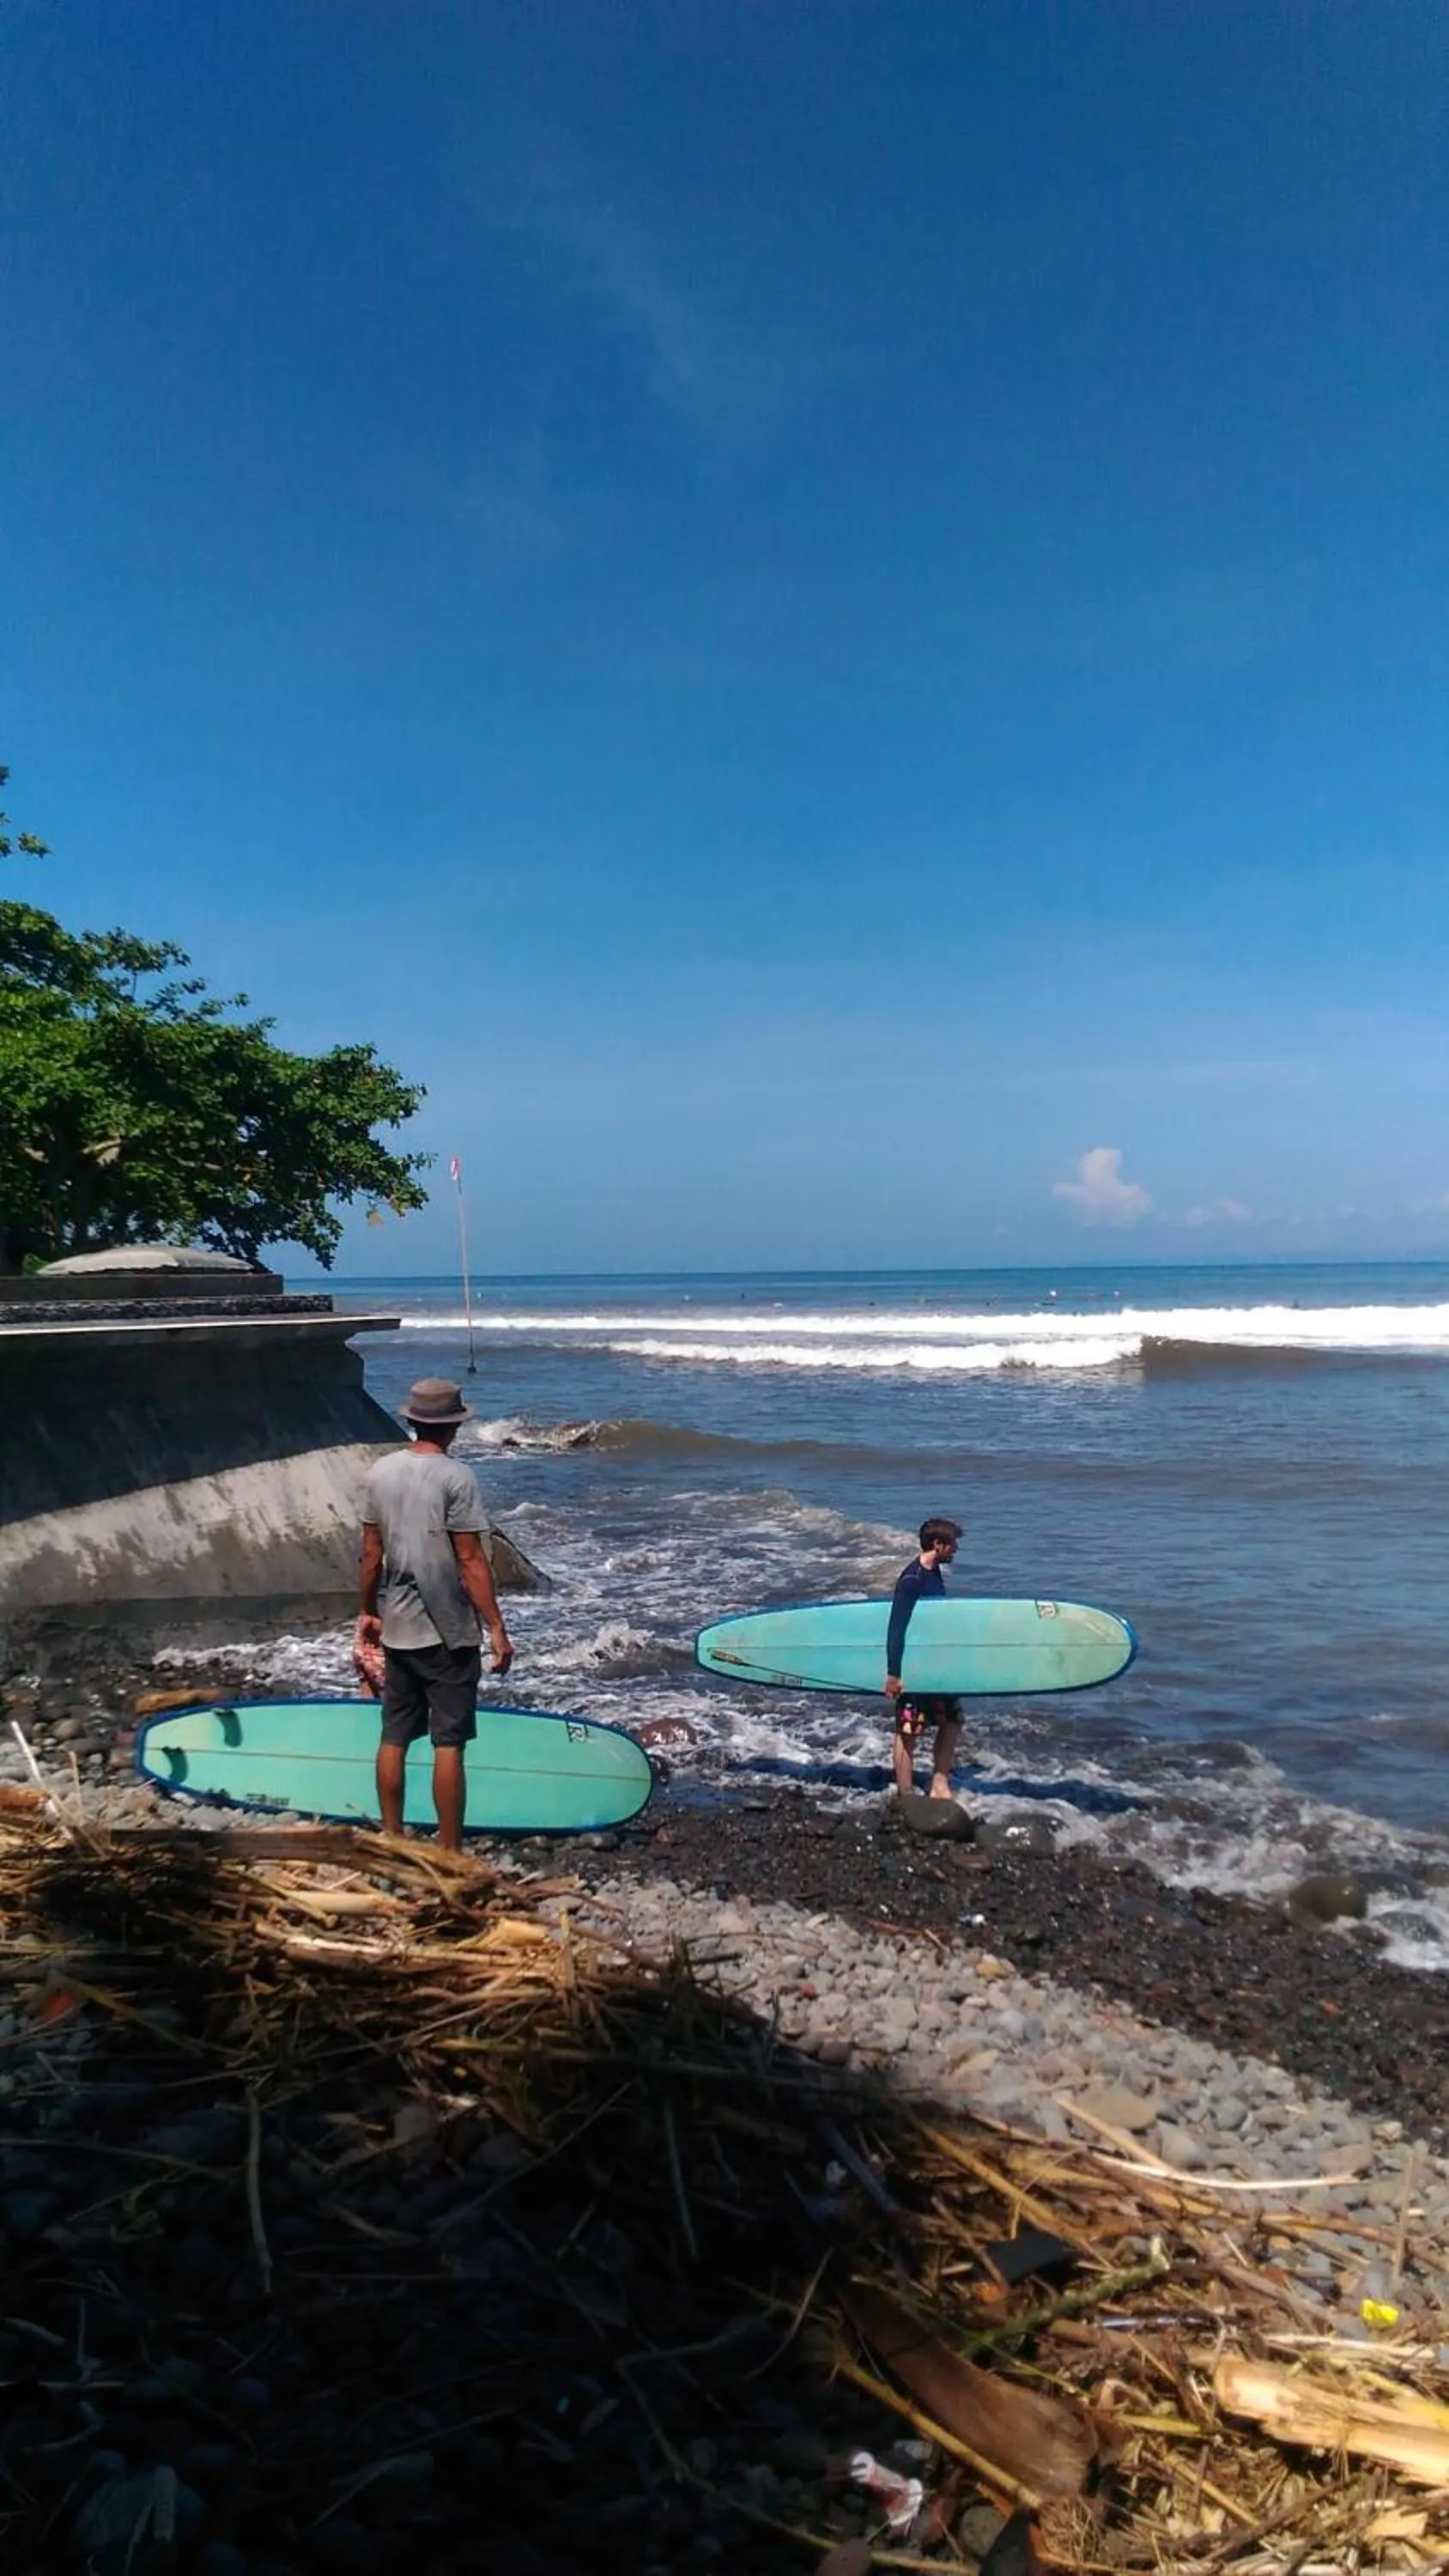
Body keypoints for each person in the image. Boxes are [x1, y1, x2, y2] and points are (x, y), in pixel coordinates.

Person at [356, 1376, 513, 1851]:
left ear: (412, 1420)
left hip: (398, 1627)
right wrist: (496, 1627)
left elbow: (369, 1554)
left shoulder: (379, 1473)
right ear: (452, 1428)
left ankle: (393, 1838)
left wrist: (367, 1612)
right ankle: (448, 1852)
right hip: (448, 1632)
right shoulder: (456, 1478)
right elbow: (470, 1560)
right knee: (449, 1744)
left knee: (394, 1736)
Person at [884, 1516, 964, 1801]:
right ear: (938, 1544)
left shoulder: (934, 1572)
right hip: (914, 1668)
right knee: (908, 1730)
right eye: (952, 1545)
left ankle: (939, 1785)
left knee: (951, 1722)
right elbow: (896, 1628)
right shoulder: (912, 1579)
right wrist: (894, 1674)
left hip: (936, 1666)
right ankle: (905, 1793)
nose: (955, 1550)